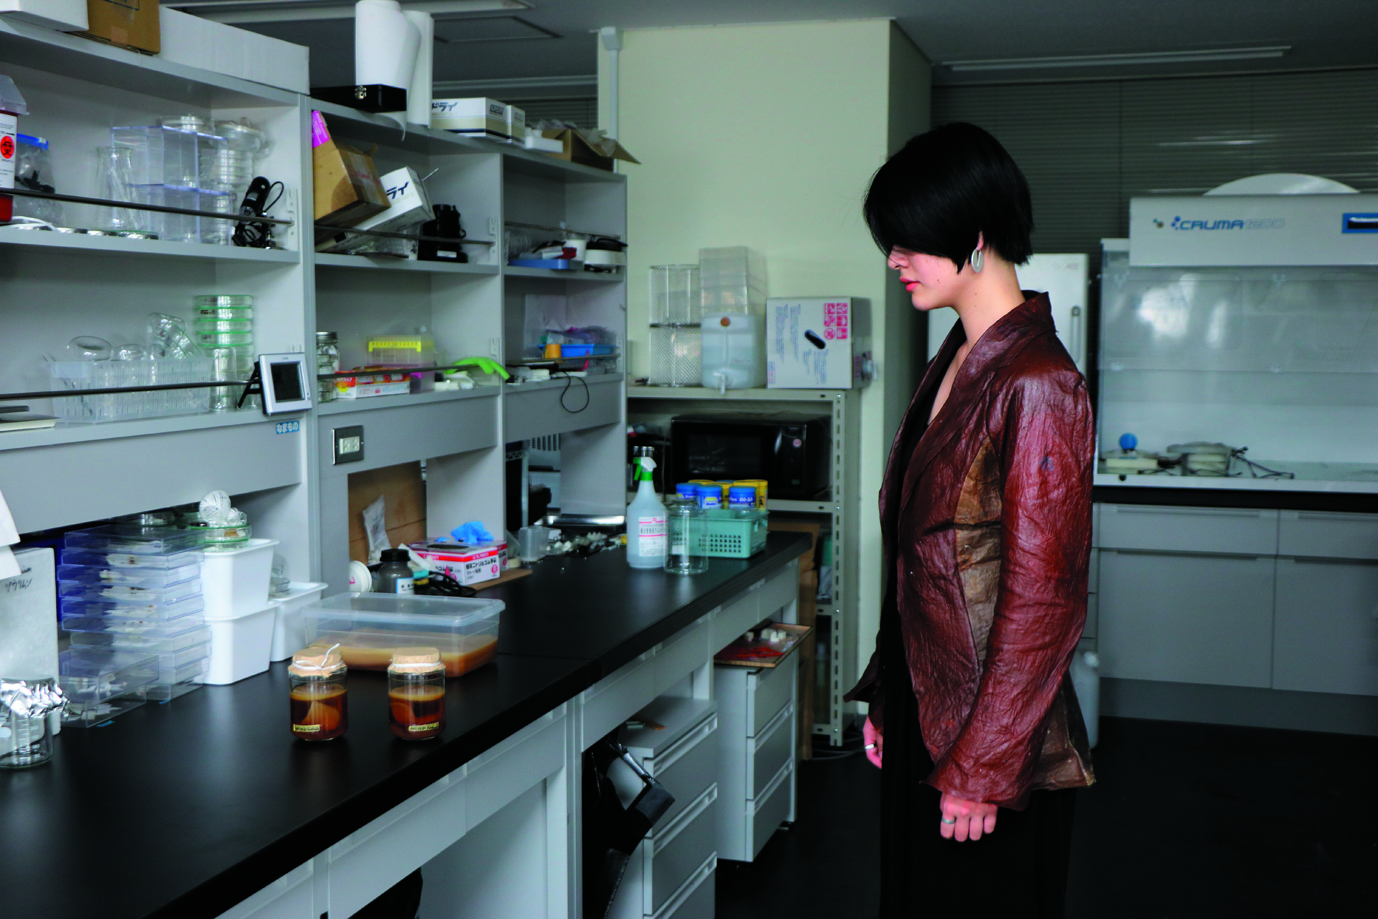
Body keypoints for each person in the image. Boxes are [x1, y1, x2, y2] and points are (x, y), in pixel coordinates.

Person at [845, 122, 1096, 917]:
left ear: (974, 233)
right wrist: (890, 693)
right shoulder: (957, 356)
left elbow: (1045, 598)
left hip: (991, 743)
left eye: (908, 241)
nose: (895, 259)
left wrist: (983, 767)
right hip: (930, 709)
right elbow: (921, 560)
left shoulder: (1039, 380)